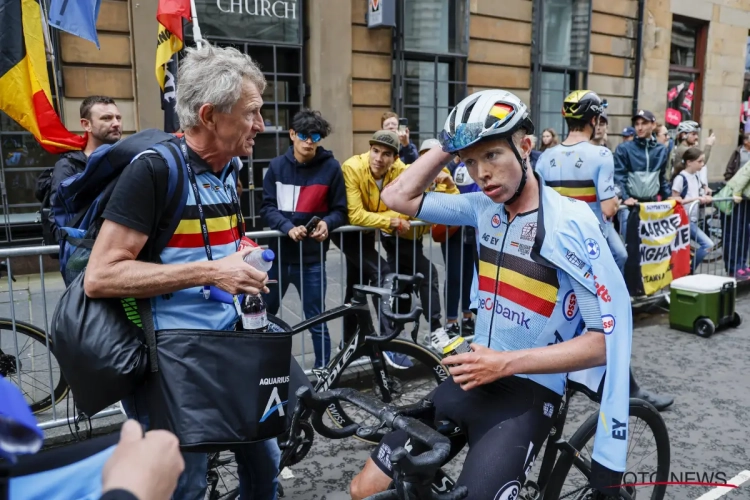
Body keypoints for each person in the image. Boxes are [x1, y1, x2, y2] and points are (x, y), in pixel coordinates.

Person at [350, 89, 632, 499]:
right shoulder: (482, 208)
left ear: (526, 147)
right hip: (474, 376)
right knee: (365, 490)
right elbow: (396, 197)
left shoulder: (568, 224)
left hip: (529, 390)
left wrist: (504, 363)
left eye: (493, 155)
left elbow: (604, 342)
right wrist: (449, 146)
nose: (482, 174)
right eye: (470, 162)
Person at [84, 43, 279, 500]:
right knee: (183, 484)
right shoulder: (153, 171)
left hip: (233, 346)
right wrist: (212, 272)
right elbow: (102, 276)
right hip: (171, 362)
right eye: (252, 112)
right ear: (210, 115)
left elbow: (222, 241)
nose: (261, 124)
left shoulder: (230, 167)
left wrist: (244, 255)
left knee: (265, 464)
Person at [341, 131, 456, 364]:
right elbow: (355, 215)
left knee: (358, 288)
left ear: (395, 157)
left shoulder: (401, 170)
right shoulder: (353, 167)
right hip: (350, 233)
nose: (379, 158)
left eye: (386, 154)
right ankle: (387, 342)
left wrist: (448, 185)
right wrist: (390, 219)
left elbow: (431, 205)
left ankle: (352, 345)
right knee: (385, 277)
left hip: (388, 235)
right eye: (375, 151)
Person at [260, 109, 348, 368]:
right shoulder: (276, 167)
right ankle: (262, 367)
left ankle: (323, 372)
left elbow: (340, 211)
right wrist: (287, 227)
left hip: (312, 260)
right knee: (265, 315)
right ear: (291, 134)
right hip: (278, 259)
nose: (309, 141)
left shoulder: (331, 168)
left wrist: (326, 223)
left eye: (315, 135)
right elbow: (266, 208)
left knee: (316, 319)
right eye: (303, 135)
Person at [536, 90, 626, 273]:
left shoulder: (545, 157)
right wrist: (615, 202)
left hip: (557, 241)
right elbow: (608, 209)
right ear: (593, 120)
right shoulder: (602, 155)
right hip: (590, 242)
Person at [44, 96, 122, 241]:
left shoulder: (127, 160)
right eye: (107, 118)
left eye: (118, 118)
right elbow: (57, 220)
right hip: (86, 254)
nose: (116, 123)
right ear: (87, 125)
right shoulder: (68, 166)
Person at [420, 140, 476, 338]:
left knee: (470, 274)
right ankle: (452, 321)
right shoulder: (452, 168)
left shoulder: (473, 163)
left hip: (471, 230)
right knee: (453, 276)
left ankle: (467, 317)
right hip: (451, 230)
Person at [614, 110, 670, 237]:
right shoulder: (624, 149)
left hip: (652, 205)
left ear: (653, 125)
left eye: (644, 123)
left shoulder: (661, 150)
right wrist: (625, 197)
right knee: (628, 248)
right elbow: (619, 177)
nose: (640, 127)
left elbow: (661, 177)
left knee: (650, 249)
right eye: (637, 124)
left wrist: (669, 196)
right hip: (630, 207)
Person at [671, 147, 714, 272]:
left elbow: (698, 190)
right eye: (700, 161)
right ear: (689, 162)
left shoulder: (696, 176)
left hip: (692, 218)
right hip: (683, 219)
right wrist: (697, 198)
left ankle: (685, 270)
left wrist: (705, 192)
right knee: (708, 244)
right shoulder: (680, 178)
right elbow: (675, 200)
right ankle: (689, 270)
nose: (702, 164)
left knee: (683, 249)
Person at [721, 154, 750, 279]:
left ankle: (742, 264)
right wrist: (737, 193)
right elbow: (745, 175)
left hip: (746, 199)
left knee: (744, 233)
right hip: (738, 198)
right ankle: (734, 267)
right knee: (734, 233)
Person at [674, 120, 715, 189]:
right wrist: (709, 144)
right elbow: (702, 161)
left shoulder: (685, 148)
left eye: (696, 134)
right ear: (684, 135)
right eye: (693, 134)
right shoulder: (683, 149)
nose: (696, 137)